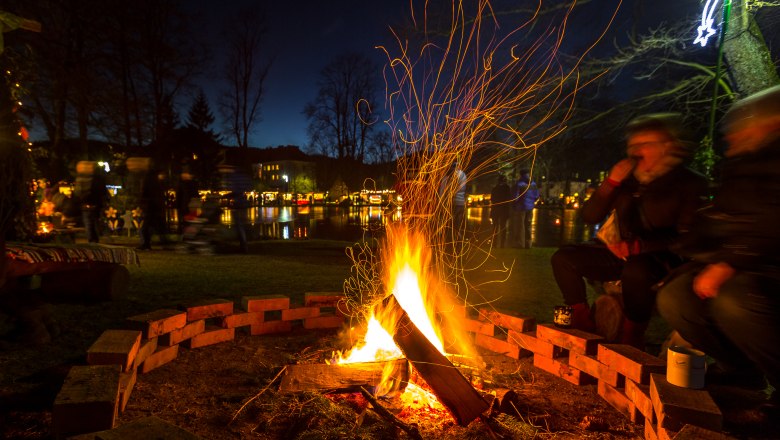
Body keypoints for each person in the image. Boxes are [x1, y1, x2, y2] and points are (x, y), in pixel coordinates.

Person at [657, 85, 780, 406]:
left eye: (742, 127)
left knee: (733, 300)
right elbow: (723, 216)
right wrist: (691, 245)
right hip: (740, 263)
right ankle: (741, 371)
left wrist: (730, 262)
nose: (732, 137)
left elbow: (771, 219)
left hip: (766, 267)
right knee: (675, 296)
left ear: (771, 123)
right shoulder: (741, 166)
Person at [550, 113, 708, 348]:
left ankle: (632, 334)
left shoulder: (689, 182)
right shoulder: (629, 181)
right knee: (564, 258)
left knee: (636, 270)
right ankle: (583, 325)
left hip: (660, 260)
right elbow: (590, 216)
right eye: (633, 145)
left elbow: (688, 238)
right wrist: (611, 183)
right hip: (622, 253)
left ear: (668, 147)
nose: (636, 151)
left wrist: (640, 246)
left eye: (646, 144)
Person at [128, 157, 170, 250]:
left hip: (151, 204)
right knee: (156, 224)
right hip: (153, 203)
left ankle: (146, 243)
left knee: (146, 225)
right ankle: (163, 242)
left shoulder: (148, 176)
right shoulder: (152, 175)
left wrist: (142, 200)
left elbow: (145, 190)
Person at [219, 164, 251, 253]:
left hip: (238, 204)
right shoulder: (244, 177)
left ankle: (243, 247)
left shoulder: (234, 177)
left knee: (239, 226)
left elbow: (235, 192)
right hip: (244, 204)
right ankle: (244, 245)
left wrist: (225, 196)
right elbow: (245, 188)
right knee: (242, 226)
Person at [74, 161, 109, 243]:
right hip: (95, 203)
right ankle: (95, 238)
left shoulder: (80, 179)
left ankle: (92, 238)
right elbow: (102, 191)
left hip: (86, 203)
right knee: (94, 221)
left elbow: (77, 192)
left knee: (88, 222)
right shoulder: (98, 178)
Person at [511, 169, 539, 249]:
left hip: (521, 207)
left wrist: (514, 204)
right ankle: (528, 244)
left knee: (520, 226)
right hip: (530, 207)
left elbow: (515, 197)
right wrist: (531, 202)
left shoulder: (519, 184)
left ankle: (520, 244)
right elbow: (536, 196)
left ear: (521, 174)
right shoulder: (533, 184)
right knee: (528, 225)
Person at [489, 174, 512, 248]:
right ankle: (502, 244)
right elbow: (509, 199)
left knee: (495, 227)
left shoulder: (495, 189)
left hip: (495, 210)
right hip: (504, 210)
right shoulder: (507, 188)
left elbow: (492, 199)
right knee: (503, 227)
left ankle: (494, 244)